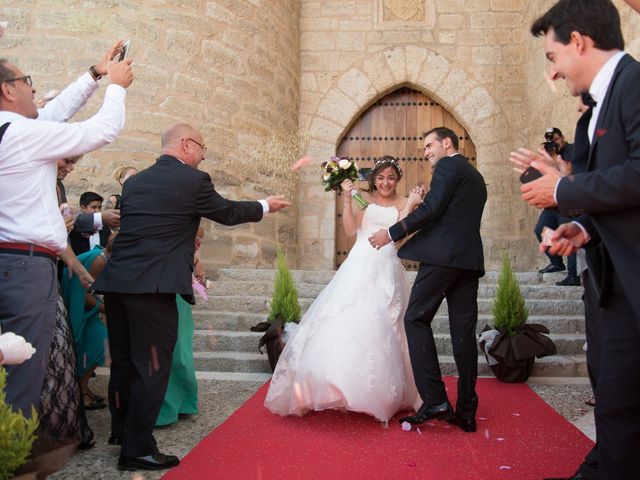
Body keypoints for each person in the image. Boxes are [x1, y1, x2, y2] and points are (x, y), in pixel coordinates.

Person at [92, 122, 292, 471]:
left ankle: (122, 431)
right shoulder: (193, 180)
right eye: (202, 147)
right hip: (154, 289)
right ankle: (137, 449)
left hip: (118, 283)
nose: (203, 154)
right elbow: (227, 212)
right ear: (185, 144)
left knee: (123, 363)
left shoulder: (135, 182)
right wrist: (265, 206)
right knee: (153, 368)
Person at [510, 1, 640, 478]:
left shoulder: (635, 85)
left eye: (553, 56)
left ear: (580, 42)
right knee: (615, 401)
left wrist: (563, 187)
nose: (555, 72)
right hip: (613, 280)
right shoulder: (602, 104)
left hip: (631, 278)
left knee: (623, 405)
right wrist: (581, 228)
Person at [0, 41, 132, 420]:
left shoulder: (13, 130)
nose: (35, 89)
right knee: (23, 372)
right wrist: (117, 87)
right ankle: (15, 461)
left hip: (13, 259)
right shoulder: (24, 134)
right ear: (8, 89)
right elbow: (102, 131)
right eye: (28, 82)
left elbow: (55, 113)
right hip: (24, 266)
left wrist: (94, 74)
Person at [265, 156, 423, 423]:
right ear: (373, 179)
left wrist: (409, 205)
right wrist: (348, 198)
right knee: (346, 324)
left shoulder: (402, 202)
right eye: (381, 177)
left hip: (386, 270)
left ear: (397, 179)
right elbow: (350, 231)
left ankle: (379, 394)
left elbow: (400, 234)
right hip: (359, 266)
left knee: (385, 328)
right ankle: (337, 387)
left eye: (391, 177)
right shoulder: (363, 198)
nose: (386, 182)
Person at [369, 127, 487, 434]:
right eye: (424, 148)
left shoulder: (449, 165)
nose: (426, 152)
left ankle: (435, 400)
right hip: (469, 261)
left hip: (442, 258)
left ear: (447, 143)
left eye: (429, 145)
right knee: (463, 335)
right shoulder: (476, 177)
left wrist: (392, 233)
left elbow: (433, 210)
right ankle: (466, 412)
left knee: (415, 318)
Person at [155, 226, 206, 427]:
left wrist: (195, 259)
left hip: (179, 290)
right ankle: (163, 409)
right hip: (159, 286)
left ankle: (184, 401)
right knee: (167, 349)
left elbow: (196, 232)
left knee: (181, 351)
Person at [62, 235, 116, 411]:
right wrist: (106, 309)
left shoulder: (105, 257)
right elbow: (84, 294)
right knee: (100, 342)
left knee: (95, 344)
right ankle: (80, 391)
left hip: (87, 308)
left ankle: (82, 388)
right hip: (78, 306)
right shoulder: (100, 262)